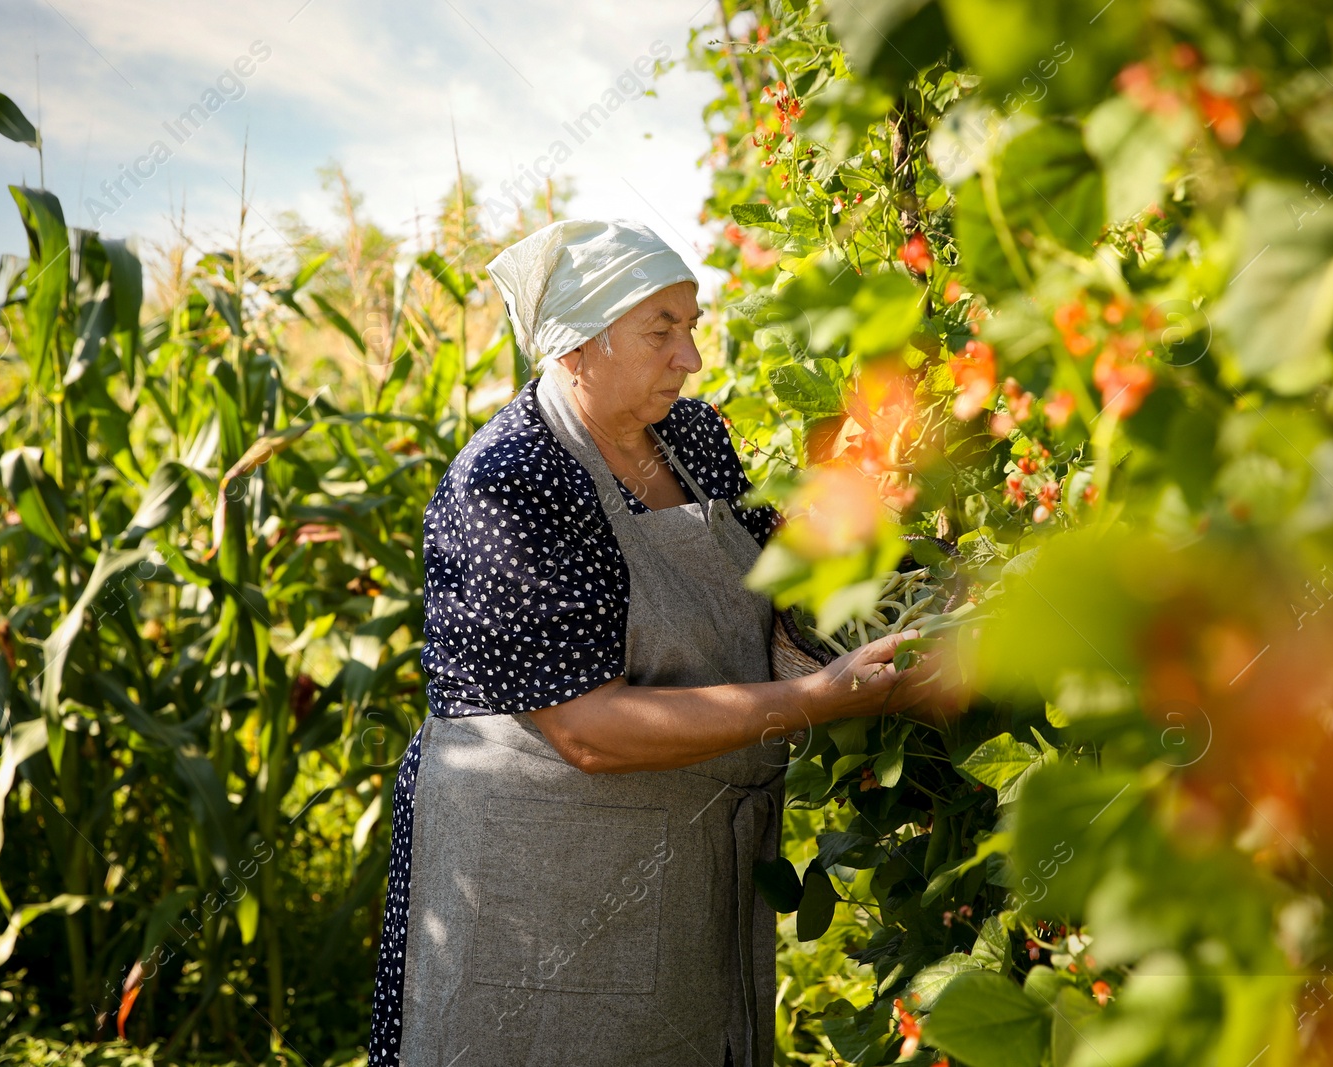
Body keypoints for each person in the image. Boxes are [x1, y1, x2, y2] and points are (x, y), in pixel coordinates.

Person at [367, 218, 950, 1067]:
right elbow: (586, 730)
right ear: (574, 349)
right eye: (661, 331)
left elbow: (776, 575)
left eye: (692, 323)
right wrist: (814, 701)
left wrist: (904, 572)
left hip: (676, 859)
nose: (692, 358)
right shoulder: (513, 479)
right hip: (540, 876)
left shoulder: (695, 437)